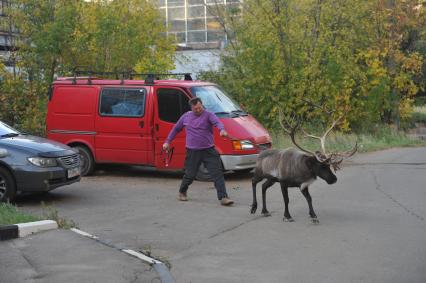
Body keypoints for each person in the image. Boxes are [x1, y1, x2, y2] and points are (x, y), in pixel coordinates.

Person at [162, 97, 234, 206]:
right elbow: (176, 129)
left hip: (208, 150)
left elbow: (217, 123)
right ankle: (182, 191)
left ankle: (223, 197)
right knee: (190, 174)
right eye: (196, 109)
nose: (198, 110)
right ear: (191, 108)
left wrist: (222, 130)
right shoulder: (186, 116)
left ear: (202, 105)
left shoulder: (209, 115)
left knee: (217, 173)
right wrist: (167, 141)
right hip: (193, 151)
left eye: (200, 107)